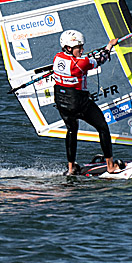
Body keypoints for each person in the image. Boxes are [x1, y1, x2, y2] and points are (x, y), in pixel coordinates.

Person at [52, 29, 122, 175]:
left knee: (71, 130)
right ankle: (110, 166)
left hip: (61, 102)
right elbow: (101, 59)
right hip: (78, 102)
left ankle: (71, 168)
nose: (82, 50)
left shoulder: (57, 58)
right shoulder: (81, 63)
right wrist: (109, 45)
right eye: (79, 48)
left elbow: (78, 61)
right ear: (69, 48)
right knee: (102, 127)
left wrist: (84, 56)